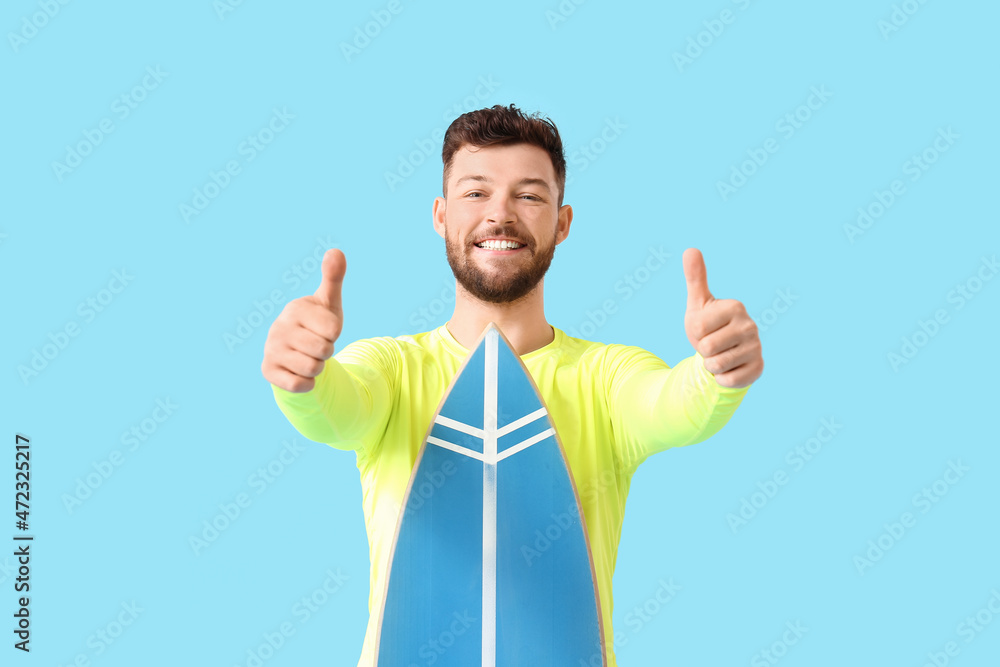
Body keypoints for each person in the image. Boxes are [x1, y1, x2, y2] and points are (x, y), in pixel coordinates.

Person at [261, 103, 763, 666]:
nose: (500, 215)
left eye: (529, 195)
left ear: (563, 222)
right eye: (476, 193)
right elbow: (337, 407)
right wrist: (302, 375)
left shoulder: (606, 378)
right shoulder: (393, 369)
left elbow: (673, 404)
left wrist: (718, 371)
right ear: (440, 214)